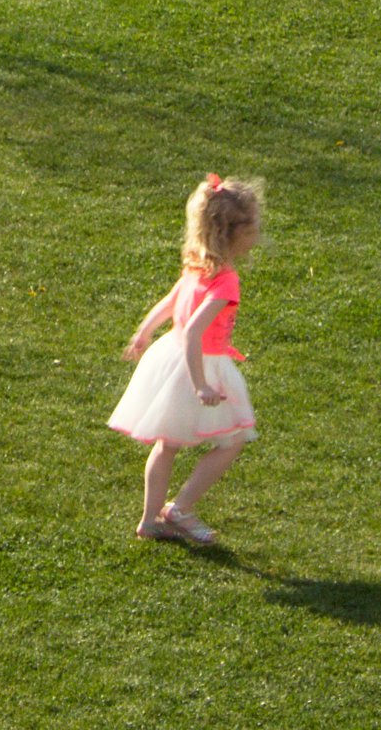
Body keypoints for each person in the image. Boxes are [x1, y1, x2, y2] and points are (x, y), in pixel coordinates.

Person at [108, 175, 264, 547]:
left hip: (170, 357)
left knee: (167, 445)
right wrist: (200, 385)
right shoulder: (225, 280)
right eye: (255, 226)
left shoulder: (196, 263)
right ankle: (181, 508)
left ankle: (150, 520)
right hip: (199, 365)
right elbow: (195, 333)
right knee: (232, 441)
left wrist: (144, 332)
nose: (258, 233)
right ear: (234, 233)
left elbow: (171, 300)